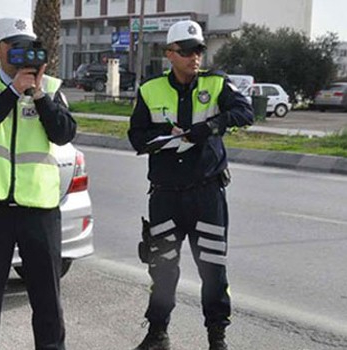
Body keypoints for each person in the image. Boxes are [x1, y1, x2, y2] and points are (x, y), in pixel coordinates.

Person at [127, 20, 253, 350]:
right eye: (186, 52)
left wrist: (209, 127)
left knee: (213, 271)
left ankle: (217, 338)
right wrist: (157, 141)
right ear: (170, 54)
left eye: (198, 50)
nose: (195, 57)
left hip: (207, 194)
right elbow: (135, 137)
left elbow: (245, 112)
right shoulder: (150, 90)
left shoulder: (217, 83)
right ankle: (157, 334)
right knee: (162, 271)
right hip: (166, 197)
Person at [0, 17, 76, 350]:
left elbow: (64, 133)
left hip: (38, 211)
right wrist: (12, 92)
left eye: (28, 45)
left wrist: (38, 95)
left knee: (47, 302)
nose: (22, 53)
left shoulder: (51, 88)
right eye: (14, 46)